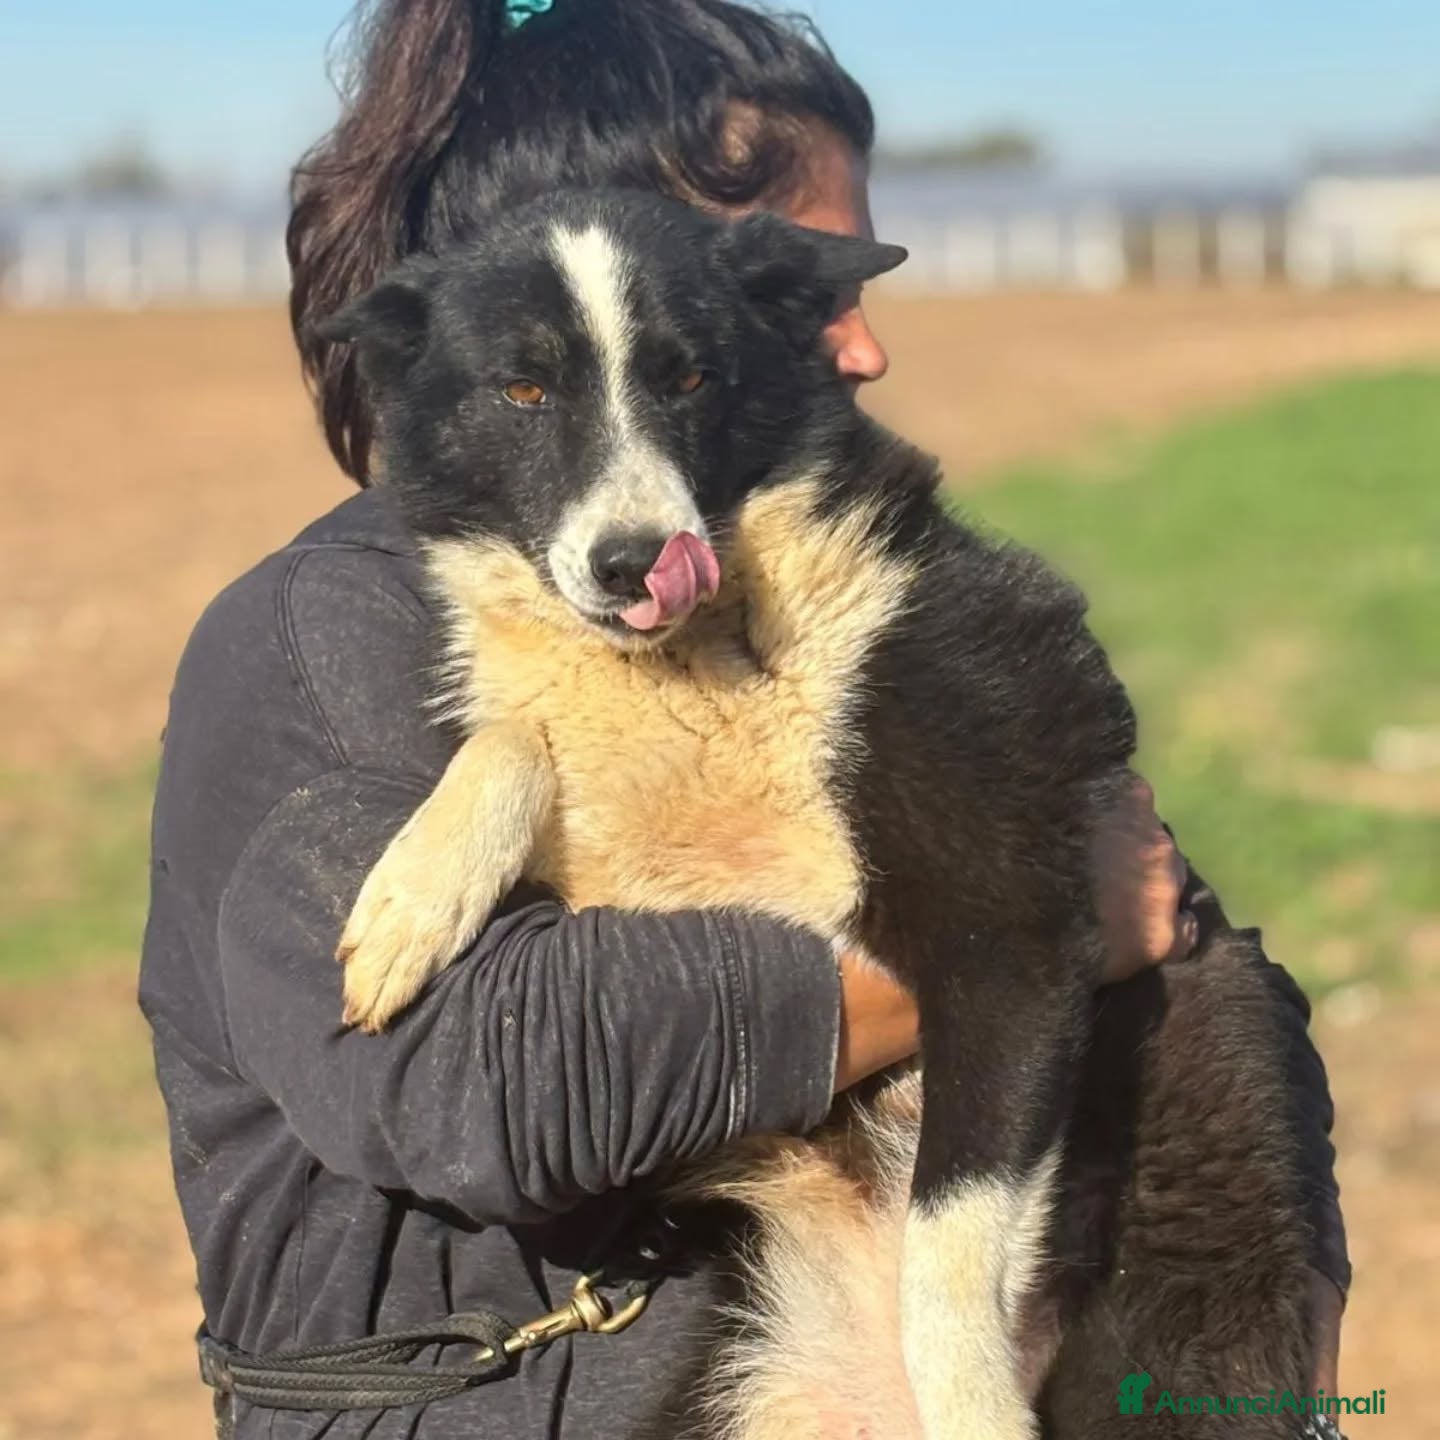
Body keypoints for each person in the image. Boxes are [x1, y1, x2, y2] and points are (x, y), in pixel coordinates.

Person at [138, 2, 1348, 1436]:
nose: (863, 344)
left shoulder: (816, 569)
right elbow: (478, 1079)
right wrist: (988, 955)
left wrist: (1268, 1341)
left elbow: (1170, 936)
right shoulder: (316, 641)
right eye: (801, 281)